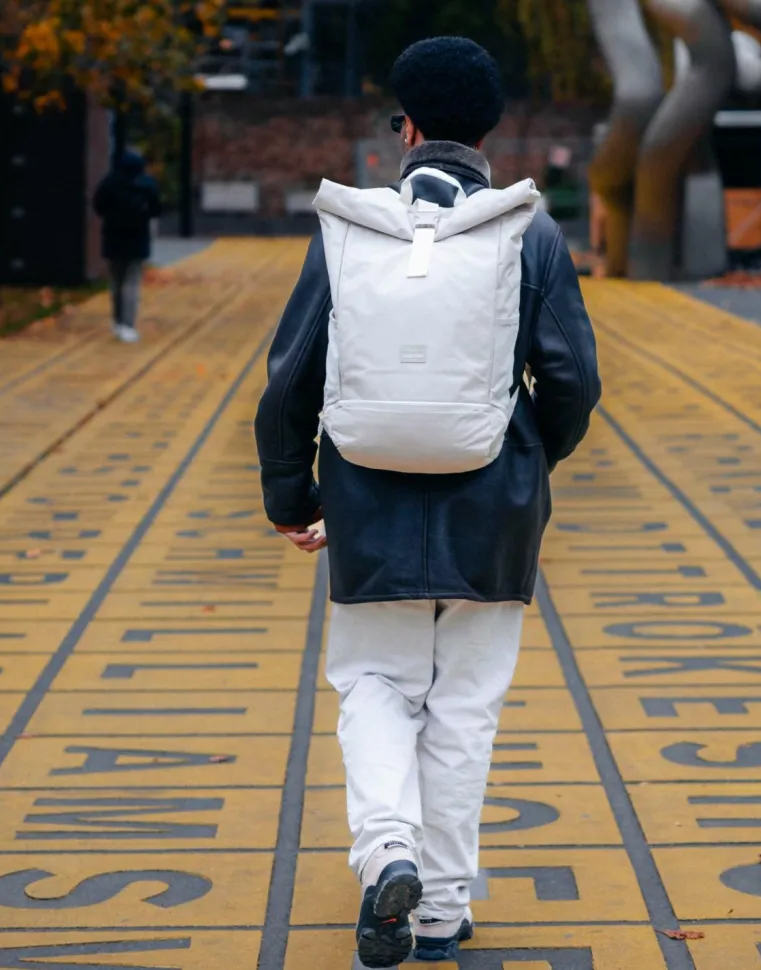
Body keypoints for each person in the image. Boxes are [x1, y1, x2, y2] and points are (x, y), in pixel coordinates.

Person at [254, 36, 600, 969]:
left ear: (404, 129)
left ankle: (388, 854)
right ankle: (442, 912)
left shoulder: (351, 231)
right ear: (489, 133)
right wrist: (529, 460)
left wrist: (292, 495)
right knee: (464, 710)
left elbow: (290, 382)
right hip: (495, 509)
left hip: (367, 501)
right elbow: (573, 381)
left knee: (375, 685)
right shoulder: (528, 230)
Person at [93, 149, 161, 343]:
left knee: (116, 280)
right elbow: (156, 209)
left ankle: (117, 321)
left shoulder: (110, 183)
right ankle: (128, 325)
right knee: (132, 283)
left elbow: (98, 206)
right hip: (138, 238)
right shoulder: (148, 184)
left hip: (113, 237)